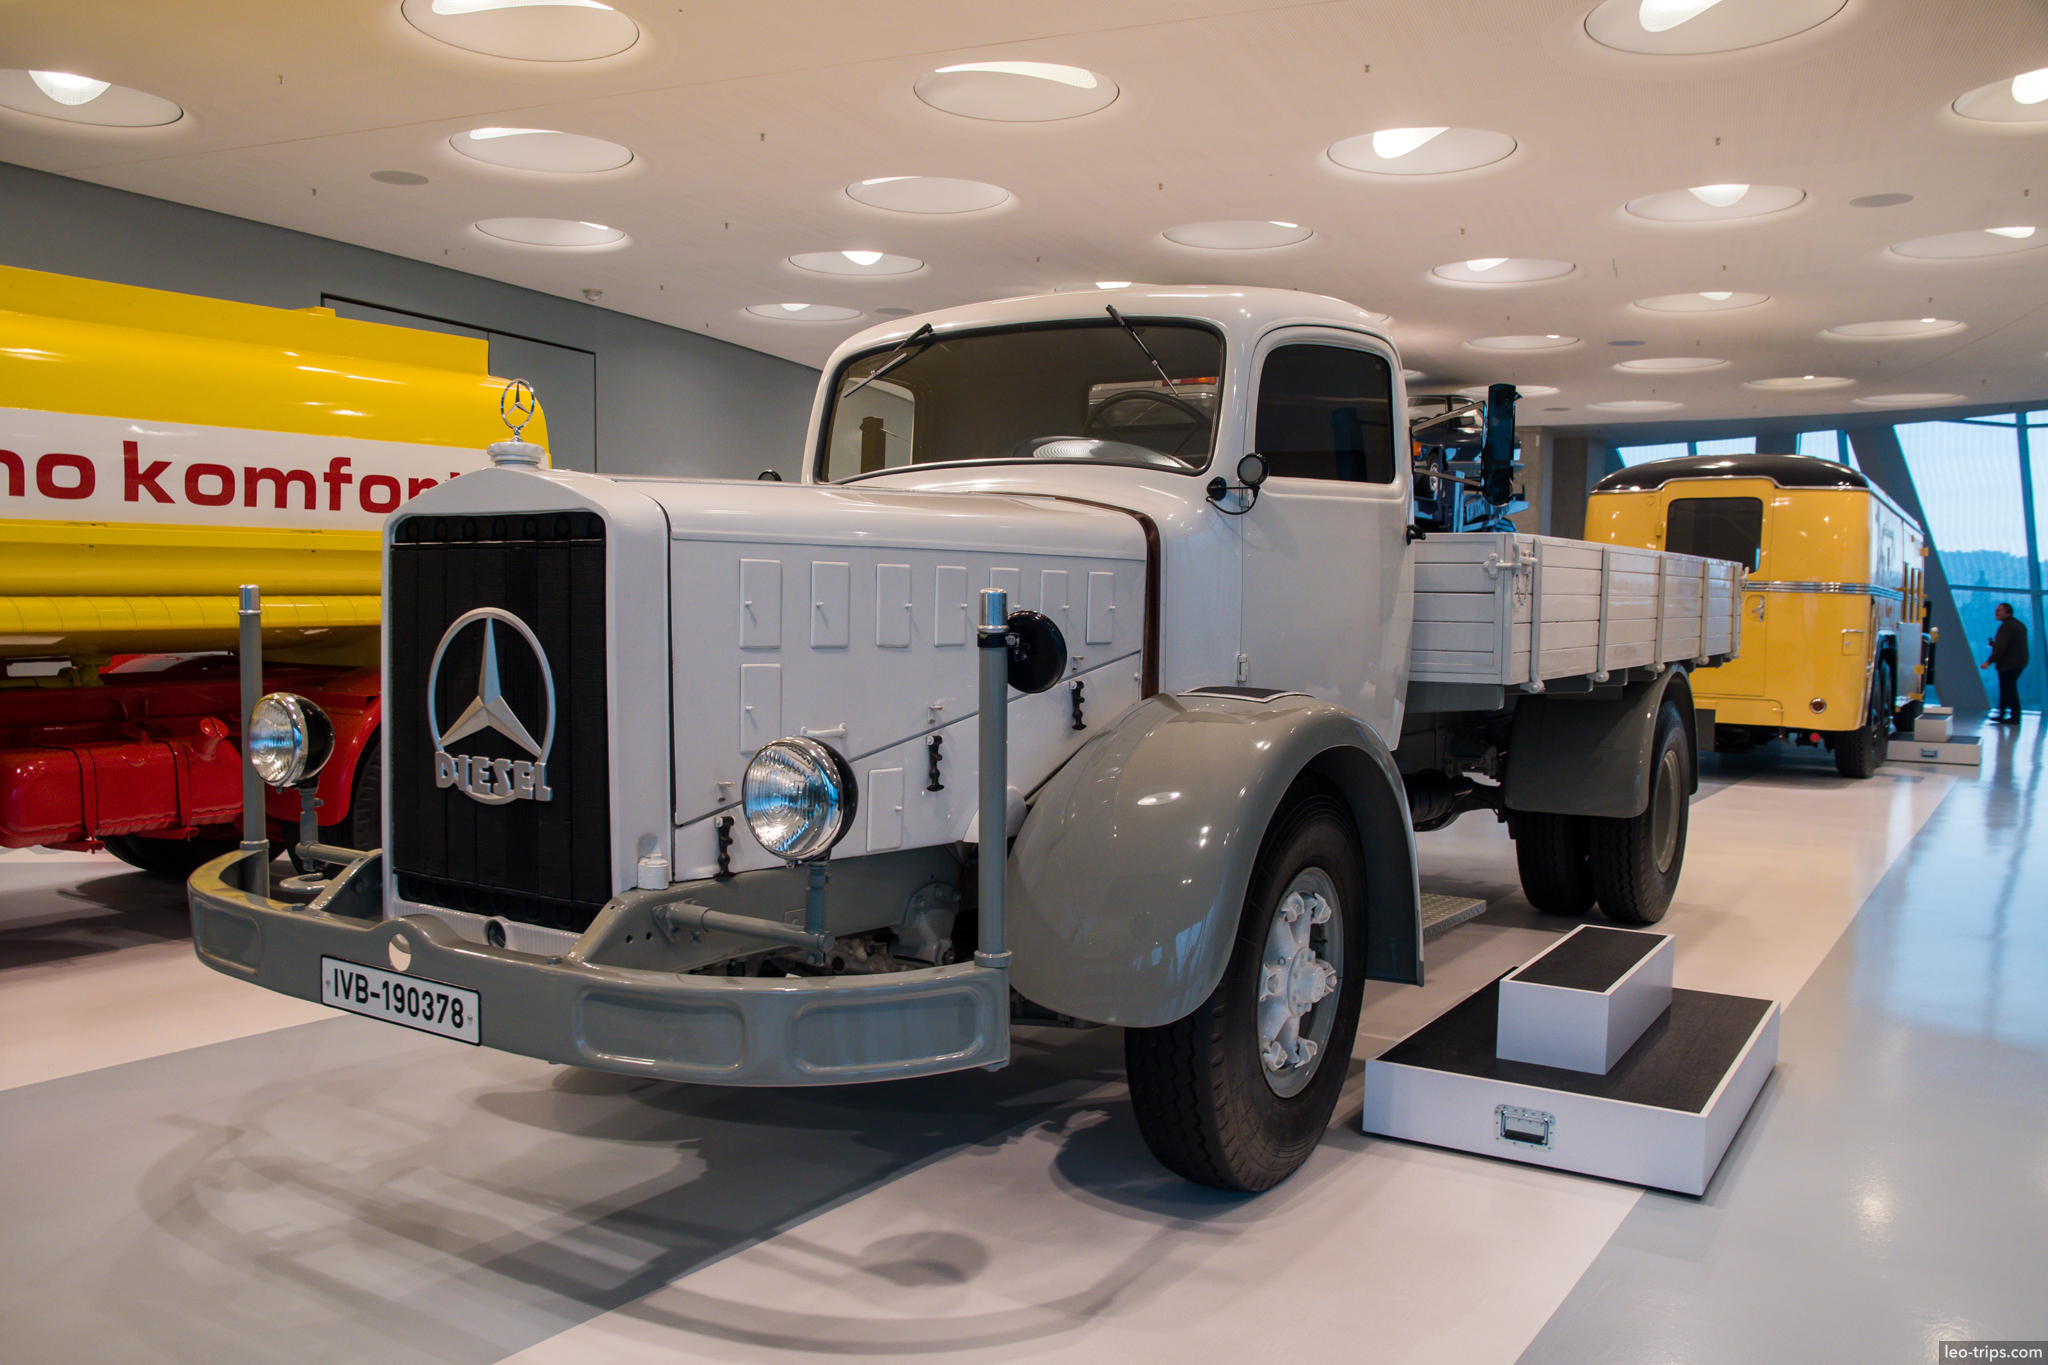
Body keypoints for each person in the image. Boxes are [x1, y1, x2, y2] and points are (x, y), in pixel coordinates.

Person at [1980, 602, 2030, 723]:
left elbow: (2002, 647)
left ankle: (2015, 717)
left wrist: (1989, 661)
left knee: (2008, 690)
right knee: (2006, 689)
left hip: (2008, 664)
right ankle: (2002, 714)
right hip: (2019, 662)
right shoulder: (2018, 625)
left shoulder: (2006, 627)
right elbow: (2011, 645)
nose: (1995, 613)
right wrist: (1995, 645)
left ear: (2007, 612)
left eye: (1998, 611)